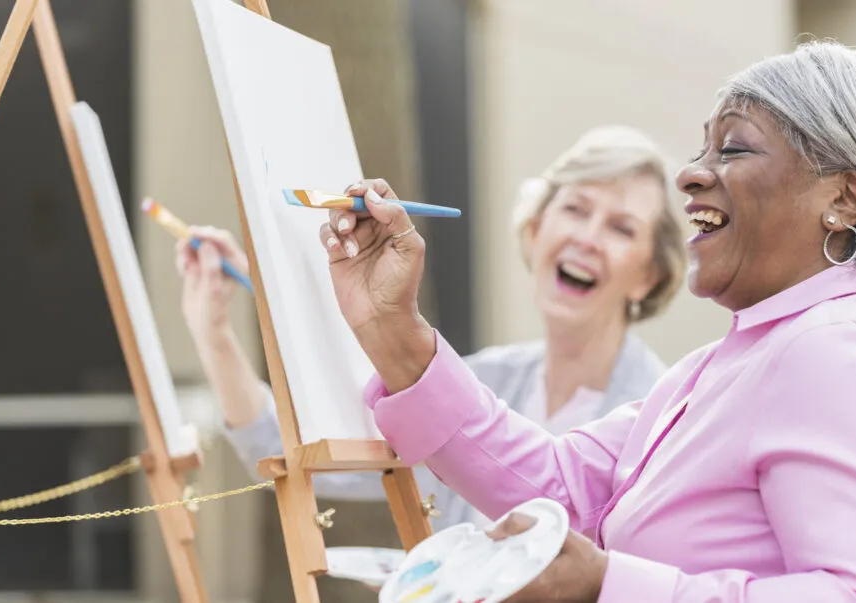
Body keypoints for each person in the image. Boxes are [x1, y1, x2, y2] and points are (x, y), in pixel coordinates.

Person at [319, 40, 856, 602]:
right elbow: (558, 486)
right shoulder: (728, 363)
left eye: (734, 148)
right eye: (702, 147)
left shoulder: (839, 351)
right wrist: (391, 327)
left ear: (843, 198)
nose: (690, 174)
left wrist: (608, 585)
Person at [177, 126, 687, 529]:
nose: (588, 238)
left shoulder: (662, 418)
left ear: (650, 275)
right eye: (575, 209)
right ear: (535, 229)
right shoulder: (477, 382)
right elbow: (288, 449)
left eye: (621, 228)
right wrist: (214, 331)